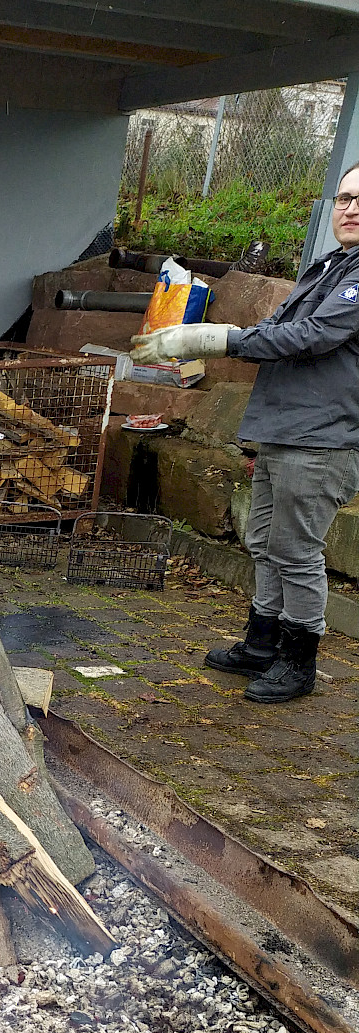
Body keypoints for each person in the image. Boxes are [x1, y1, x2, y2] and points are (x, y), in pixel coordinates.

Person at [130, 164, 359, 703]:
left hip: (322, 440)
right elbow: (285, 332)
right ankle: (262, 641)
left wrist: (218, 338)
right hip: (284, 432)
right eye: (345, 198)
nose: (351, 209)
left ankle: (299, 661)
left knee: (296, 550)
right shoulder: (330, 267)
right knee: (263, 541)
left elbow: (312, 336)